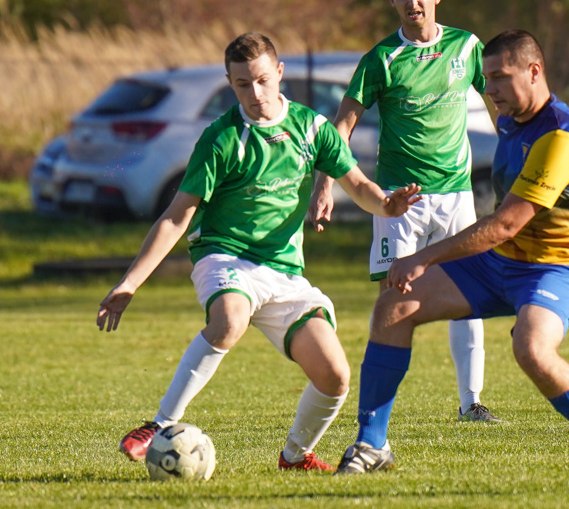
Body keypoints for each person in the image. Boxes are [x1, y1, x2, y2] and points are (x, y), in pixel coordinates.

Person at [97, 32, 421, 471]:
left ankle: (295, 456)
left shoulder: (312, 129)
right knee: (229, 320)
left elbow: (358, 184)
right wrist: (129, 283)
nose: (255, 93)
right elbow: (177, 216)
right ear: (230, 84)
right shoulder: (221, 139)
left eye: (263, 80)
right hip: (224, 257)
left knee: (335, 376)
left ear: (280, 73)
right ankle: (160, 424)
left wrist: (386, 203)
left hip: (285, 272)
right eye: (242, 84)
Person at [334, 29, 569, 474]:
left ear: (534, 72)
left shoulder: (559, 136)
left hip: (552, 269)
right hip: (503, 263)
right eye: (487, 77)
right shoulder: (510, 120)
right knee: (393, 307)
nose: (489, 88)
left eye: (499, 77)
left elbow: (505, 223)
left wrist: (423, 256)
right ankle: (371, 445)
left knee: (532, 349)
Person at [310, 0, 500, 423]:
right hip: (399, 202)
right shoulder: (381, 59)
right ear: (391, 0)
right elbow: (342, 125)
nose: (412, 2)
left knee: (468, 297)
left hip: (456, 194)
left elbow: (500, 103)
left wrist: (516, 155)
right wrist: (324, 187)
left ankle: (471, 403)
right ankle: (377, 413)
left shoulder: (466, 46)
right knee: (393, 301)